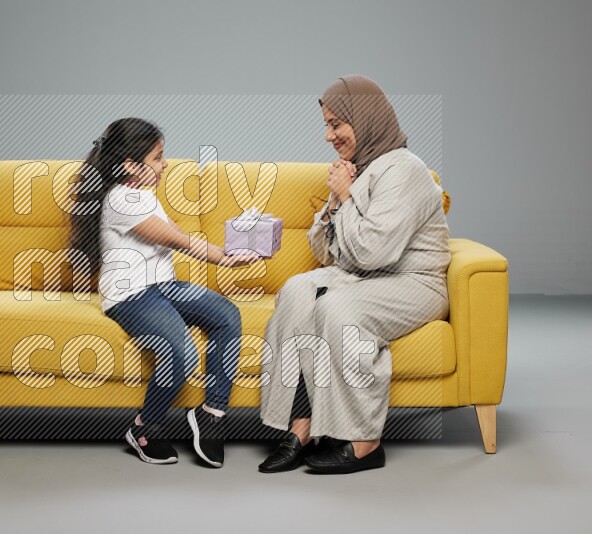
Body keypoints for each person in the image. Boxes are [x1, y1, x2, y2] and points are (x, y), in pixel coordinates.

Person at [258, 75, 451, 474]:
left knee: (338, 308)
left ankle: (365, 441)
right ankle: (302, 425)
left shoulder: (405, 171)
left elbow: (374, 251)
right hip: (366, 276)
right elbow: (324, 251)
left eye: (336, 124)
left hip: (412, 282)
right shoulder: (357, 168)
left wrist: (345, 196)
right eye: (327, 125)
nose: (328, 135)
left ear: (363, 120)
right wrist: (335, 205)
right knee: (297, 290)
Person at [69, 118, 261, 467]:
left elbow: (171, 232)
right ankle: (145, 427)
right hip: (131, 296)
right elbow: (174, 238)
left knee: (226, 314)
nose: (165, 164)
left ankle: (212, 413)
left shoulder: (144, 195)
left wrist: (234, 246)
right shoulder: (119, 199)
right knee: (181, 352)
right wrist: (223, 257)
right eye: (158, 157)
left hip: (164, 288)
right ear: (130, 164)